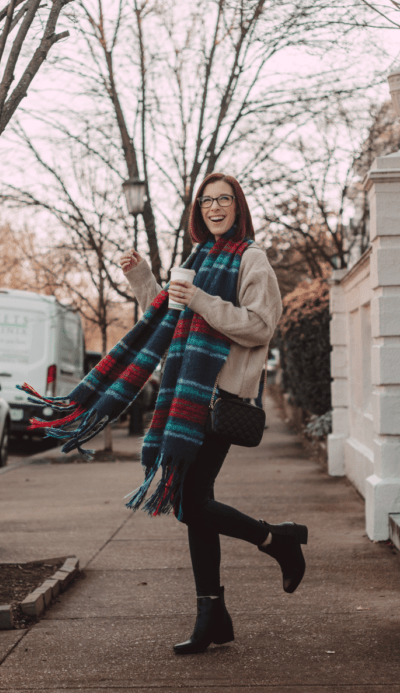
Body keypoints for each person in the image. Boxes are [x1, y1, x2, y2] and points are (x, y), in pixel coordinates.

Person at [120, 173, 308, 655]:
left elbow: (261, 325)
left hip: (219, 399)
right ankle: (212, 615)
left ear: (237, 206)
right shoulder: (196, 259)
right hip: (187, 396)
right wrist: (143, 278)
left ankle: (276, 540)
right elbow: (169, 317)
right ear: (198, 210)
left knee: (191, 502)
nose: (215, 207)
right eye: (207, 201)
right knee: (193, 503)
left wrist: (200, 299)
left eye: (224, 199)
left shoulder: (251, 259)